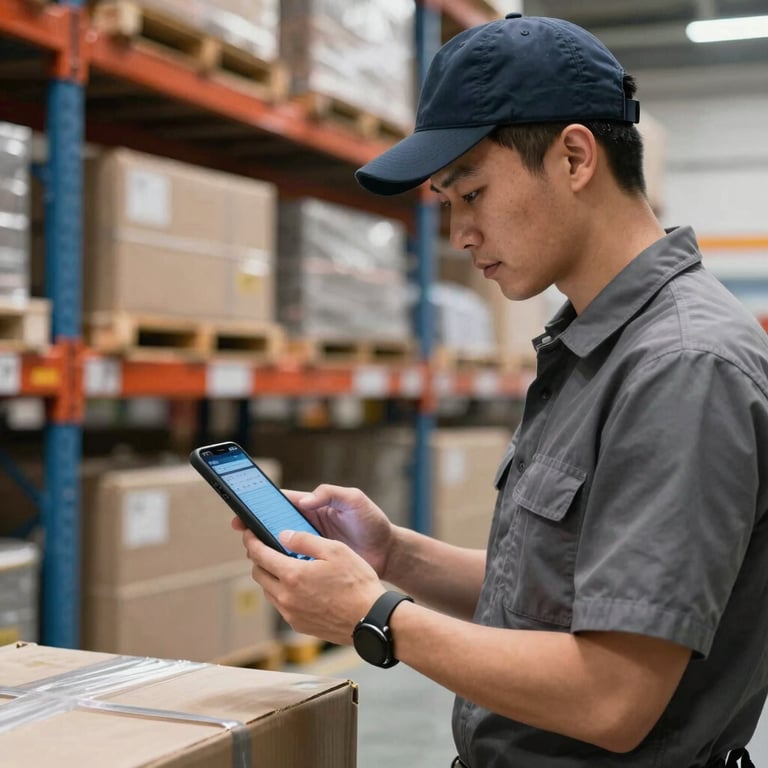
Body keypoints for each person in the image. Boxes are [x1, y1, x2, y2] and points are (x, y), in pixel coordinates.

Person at [234, 13, 768, 767]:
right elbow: (573, 595)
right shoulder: (593, 346)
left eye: (472, 193)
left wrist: (374, 614)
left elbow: (612, 695)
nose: (459, 233)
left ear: (575, 156)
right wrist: (393, 555)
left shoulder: (680, 366)